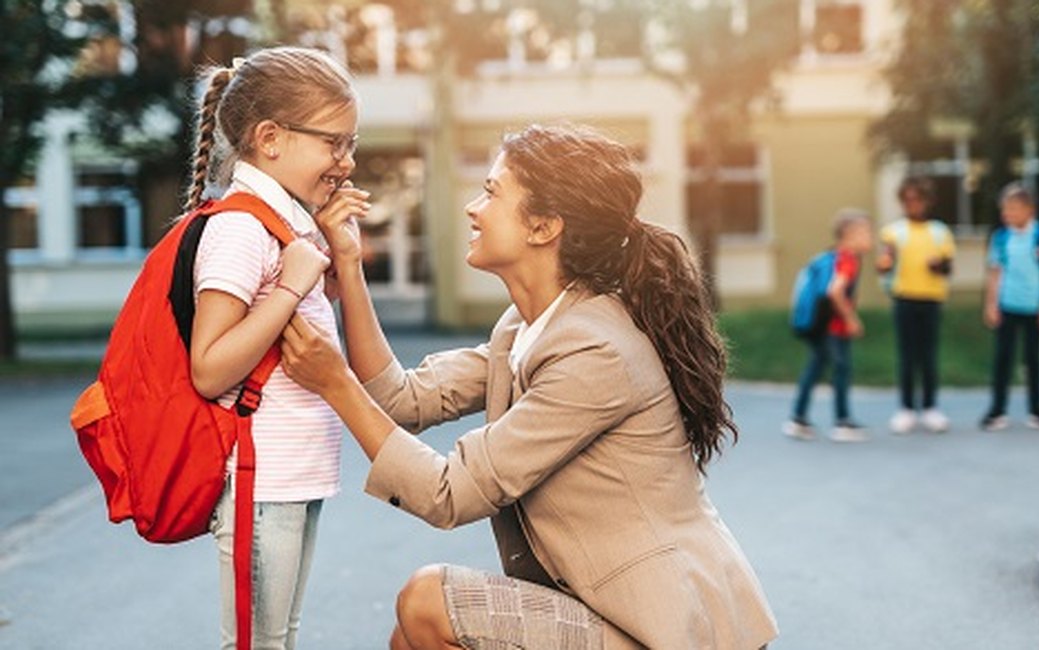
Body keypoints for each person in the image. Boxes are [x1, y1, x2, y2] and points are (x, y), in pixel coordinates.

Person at [280, 124, 778, 649]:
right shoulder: (525, 329)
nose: (474, 209)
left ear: (542, 227)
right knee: (408, 637)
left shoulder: (594, 350)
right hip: (605, 610)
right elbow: (402, 399)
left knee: (427, 600)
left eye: (492, 192)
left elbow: (449, 493)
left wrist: (335, 383)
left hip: (669, 631)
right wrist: (351, 266)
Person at [185, 46, 372, 649]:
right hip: (259, 478)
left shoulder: (286, 222)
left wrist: (335, 252)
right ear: (270, 138)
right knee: (258, 644)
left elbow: (297, 328)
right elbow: (210, 367)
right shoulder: (241, 228)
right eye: (333, 143)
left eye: (351, 143)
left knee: (278, 639)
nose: (345, 162)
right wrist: (293, 280)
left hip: (294, 474)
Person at [782, 209, 874, 443]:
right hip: (834, 327)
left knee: (815, 367)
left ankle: (798, 419)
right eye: (866, 232)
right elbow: (835, 291)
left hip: (820, 325)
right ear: (849, 235)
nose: (870, 237)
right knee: (841, 370)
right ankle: (843, 422)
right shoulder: (847, 259)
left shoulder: (835, 256)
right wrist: (851, 319)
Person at [876, 177, 956, 434]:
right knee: (907, 356)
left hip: (931, 298)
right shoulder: (893, 231)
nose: (913, 204)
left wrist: (938, 266)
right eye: (907, 199)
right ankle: (906, 409)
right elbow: (884, 262)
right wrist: (884, 264)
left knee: (929, 355)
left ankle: (931, 408)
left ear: (927, 201)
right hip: (904, 297)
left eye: (917, 199)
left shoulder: (940, 231)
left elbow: (948, 268)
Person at [981, 182, 1039, 431]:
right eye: (1005, 209)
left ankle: (1037, 410)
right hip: (1007, 305)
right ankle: (997, 411)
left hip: (1034, 307)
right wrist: (990, 304)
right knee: (1002, 359)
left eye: (1013, 209)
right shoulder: (1001, 237)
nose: (1008, 214)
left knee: (1033, 360)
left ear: (1029, 209)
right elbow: (995, 274)